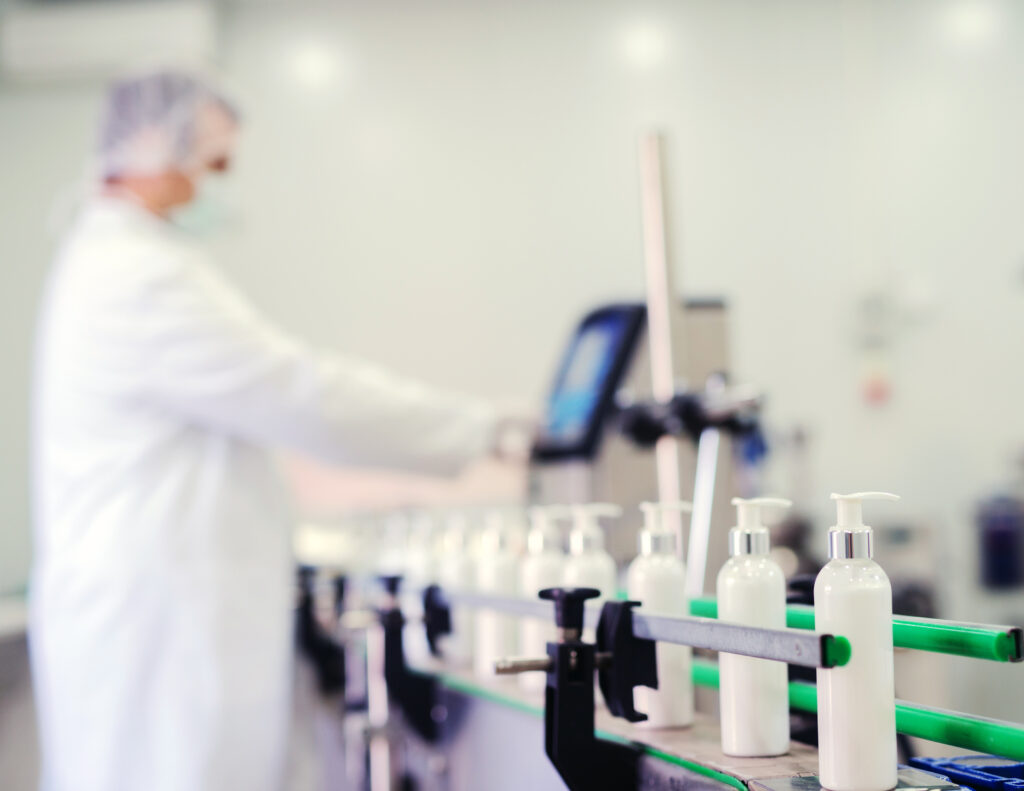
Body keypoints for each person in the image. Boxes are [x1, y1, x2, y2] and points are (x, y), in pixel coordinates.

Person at [30, 70, 517, 791]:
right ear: (154, 148)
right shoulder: (136, 278)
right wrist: (486, 428)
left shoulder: (114, 263)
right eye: (216, 162)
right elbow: (301, 393)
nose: (221, 183)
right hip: (159, 631)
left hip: (156, 613)